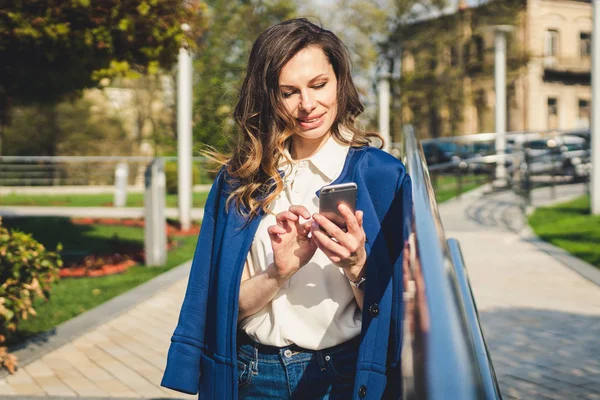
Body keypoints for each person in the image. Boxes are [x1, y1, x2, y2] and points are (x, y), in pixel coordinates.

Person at [161, 18, 412, 400]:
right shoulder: (238, 182)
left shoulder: (383, 177)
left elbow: (397, 316)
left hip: (343, 379)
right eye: (288, 91)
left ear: (340, 82)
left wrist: (357, 265)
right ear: (268, 96)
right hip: (252, 377)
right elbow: (223, 308)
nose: (307, 105)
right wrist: (278, 272)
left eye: (318, 85)